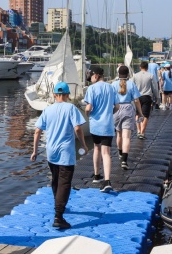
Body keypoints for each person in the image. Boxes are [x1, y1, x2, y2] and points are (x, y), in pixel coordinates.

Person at [30, 82, 88, 230]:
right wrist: (84, 144)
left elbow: (37, 131)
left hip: (51, 152)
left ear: (55, 95)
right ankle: (58, 216)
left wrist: (35, 151)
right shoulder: (71, 108)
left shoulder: (47, 110)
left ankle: (58, 205)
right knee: (65, 183)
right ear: (68, 95)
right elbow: (77, 128)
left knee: (56, 180)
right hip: (65, 152)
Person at [84, 67, 119, 192]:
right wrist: (109, 113)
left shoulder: (91, 89)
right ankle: (107, 181)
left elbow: (88, 108)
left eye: (91, 77)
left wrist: (88, 115)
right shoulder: (111, 88)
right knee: (106, 152)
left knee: (96, 148)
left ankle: (96, 176)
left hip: (95, 125)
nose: (91, 79)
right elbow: (117, 106)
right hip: (108, 124)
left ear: (96, 75)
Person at [111, 65, 143, 170]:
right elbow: (136, 100)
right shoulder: (131, 84)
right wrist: (140, 112)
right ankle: (124, 160)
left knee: (119, 134)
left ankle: (120, 153)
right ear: (128, 74)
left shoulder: (113, 84)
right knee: (126, 137)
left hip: (116, 109)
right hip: (128, 109)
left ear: (118, 74)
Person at [132, 61, 159, 139]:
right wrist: (157, 97)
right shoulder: (151, 75)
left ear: (140, 67)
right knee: (145, 115)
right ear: (147, 68)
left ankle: (138, 130)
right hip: (146, 96)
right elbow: (155, 87)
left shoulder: (135, 76)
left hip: (137, 97)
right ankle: (142, 133)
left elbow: (132, 87)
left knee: (137, 114)